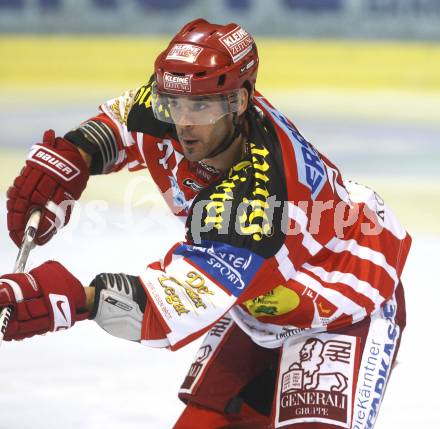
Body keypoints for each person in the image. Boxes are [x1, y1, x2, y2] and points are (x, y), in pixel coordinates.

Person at [0, 19, 411, 429]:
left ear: (240, 101)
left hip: (341, 302)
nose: (183, 123)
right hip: (259, 300)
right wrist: (74, 155)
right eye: (173, 104)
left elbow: (172, 305)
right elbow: (126, 120)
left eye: (201, 107)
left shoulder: (260, 202)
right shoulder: (186, 105)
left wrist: (72, 299)